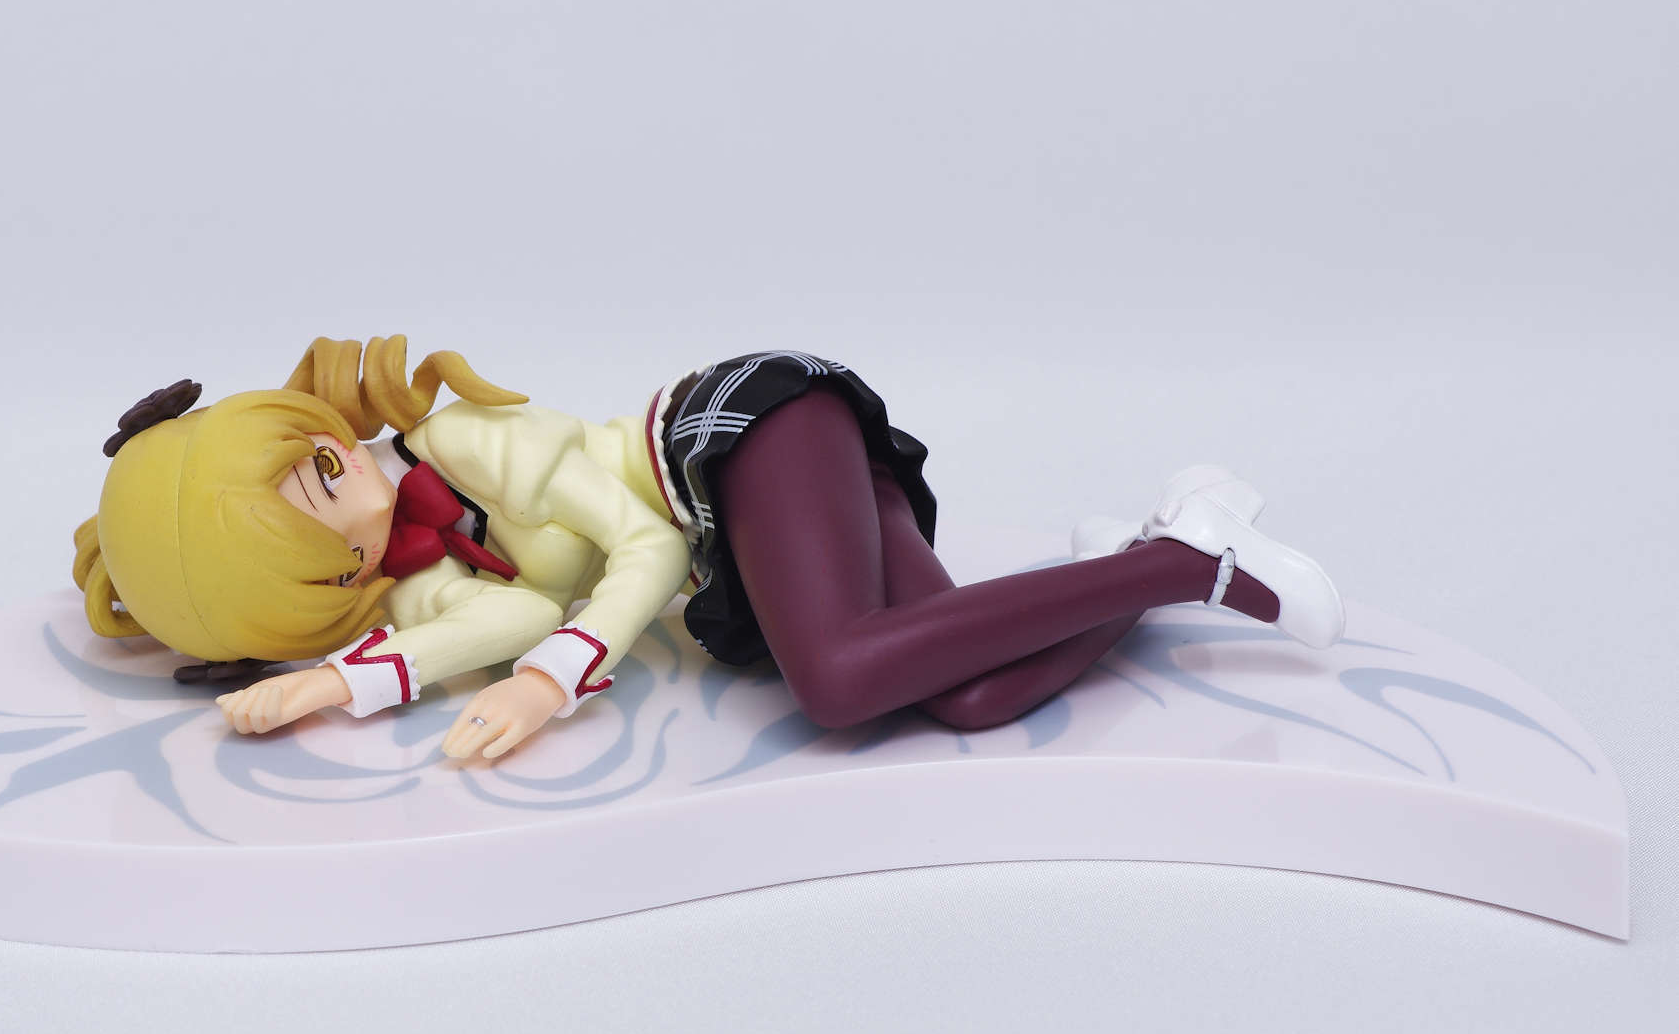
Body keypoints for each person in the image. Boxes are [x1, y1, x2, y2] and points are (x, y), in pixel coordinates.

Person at [75, 338, 1343, 760]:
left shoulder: (457, 444)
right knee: (966, 696)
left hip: (734, 441)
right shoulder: (415, 586)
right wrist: (334, 684)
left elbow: (634, 541)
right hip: (750, 545)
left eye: (317, 463)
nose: (344, 484)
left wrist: (551, 682)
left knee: (839, 682)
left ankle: (1189, 559)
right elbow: (506, 621)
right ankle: (1137, 556)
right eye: (316, 543)